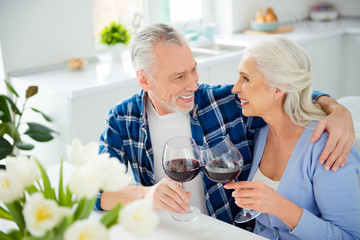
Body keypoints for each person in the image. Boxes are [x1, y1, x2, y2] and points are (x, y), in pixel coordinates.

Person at [95, 23, 354, 226]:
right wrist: (145, 195)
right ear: (144, 80)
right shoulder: (122, 119)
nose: (193, 84)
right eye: (179, 77)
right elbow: (94, 192)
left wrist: (337, 108)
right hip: (166, 231)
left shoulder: (221, 103)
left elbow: (285, 90)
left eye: (193, 70)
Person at [224, 36, 360, 239]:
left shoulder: (328, 146)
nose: (235, 88)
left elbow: (350, 236)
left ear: (278, 88)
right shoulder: (261, 134)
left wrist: (279, 206)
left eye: (246, 78)